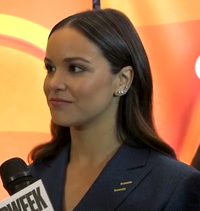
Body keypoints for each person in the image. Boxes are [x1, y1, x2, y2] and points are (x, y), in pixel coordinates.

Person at [29, 8, 200, 211]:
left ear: (123, 80)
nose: (54, 84)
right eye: (50, 68)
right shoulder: (33, 177)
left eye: (75, 68)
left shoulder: (173, 185)